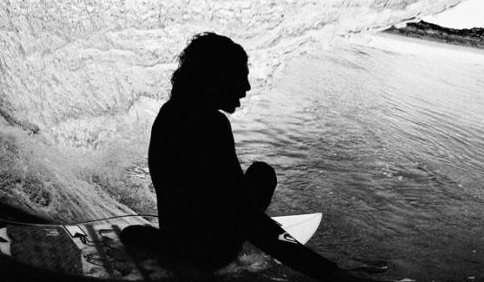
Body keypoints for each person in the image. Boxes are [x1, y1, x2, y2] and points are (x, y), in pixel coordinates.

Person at [133, 32, 376, 281]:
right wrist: (332, 272)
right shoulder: (212, 125)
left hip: (176, 236)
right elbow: (248, 218)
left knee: (252, 181)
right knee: (262, 176)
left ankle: (172, 243)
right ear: (215, 78)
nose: (247, 87)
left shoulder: (170, 112)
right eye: (240, 77)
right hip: (208, 253)